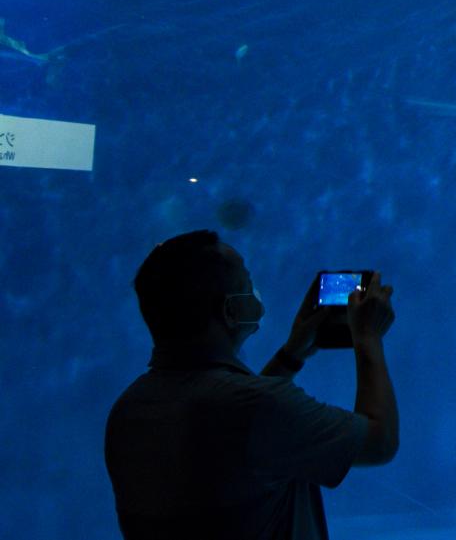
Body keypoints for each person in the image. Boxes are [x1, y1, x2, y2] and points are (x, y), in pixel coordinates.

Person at [105, 230, 399, 539]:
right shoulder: (256, 407)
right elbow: (380, 442)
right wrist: (368, 338)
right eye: (246, 284)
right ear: (230, 311)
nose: (255, 290)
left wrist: (292, 354)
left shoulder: (128, 410)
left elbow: (236, 427)